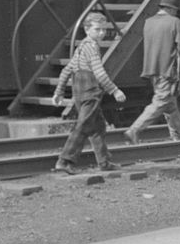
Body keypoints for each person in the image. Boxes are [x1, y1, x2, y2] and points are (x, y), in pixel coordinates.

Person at [51, 12, 127, 174]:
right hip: (89, 91)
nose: (101, 33)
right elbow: (99, 72)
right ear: (87, 30)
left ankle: (104, 162)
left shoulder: (81, 47)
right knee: (84, 125)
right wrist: (114, 90)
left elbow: (66, 70)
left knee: (98, 127)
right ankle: (65, 160)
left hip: (79, 92)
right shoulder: (92, 47)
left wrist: (59, 92)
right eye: (97, 29)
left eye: (103, 30)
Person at [124, 0, 180, 144]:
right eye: (175, 10)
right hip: (167, 70)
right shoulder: (175, 22)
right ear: (170, 9)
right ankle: (134, 130)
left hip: (151, 69)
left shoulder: (148, 22)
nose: (176, 13)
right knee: (160, 102)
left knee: (170, 103)